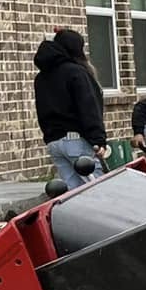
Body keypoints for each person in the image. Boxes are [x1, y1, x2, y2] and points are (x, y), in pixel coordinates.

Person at [32, 29, 108, 189]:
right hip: (76, 140)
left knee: (72, 193)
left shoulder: (41, 77)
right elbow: (88, 107)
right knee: (97, 188)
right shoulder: (76, 72)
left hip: (54, 141)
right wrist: (98, 139)